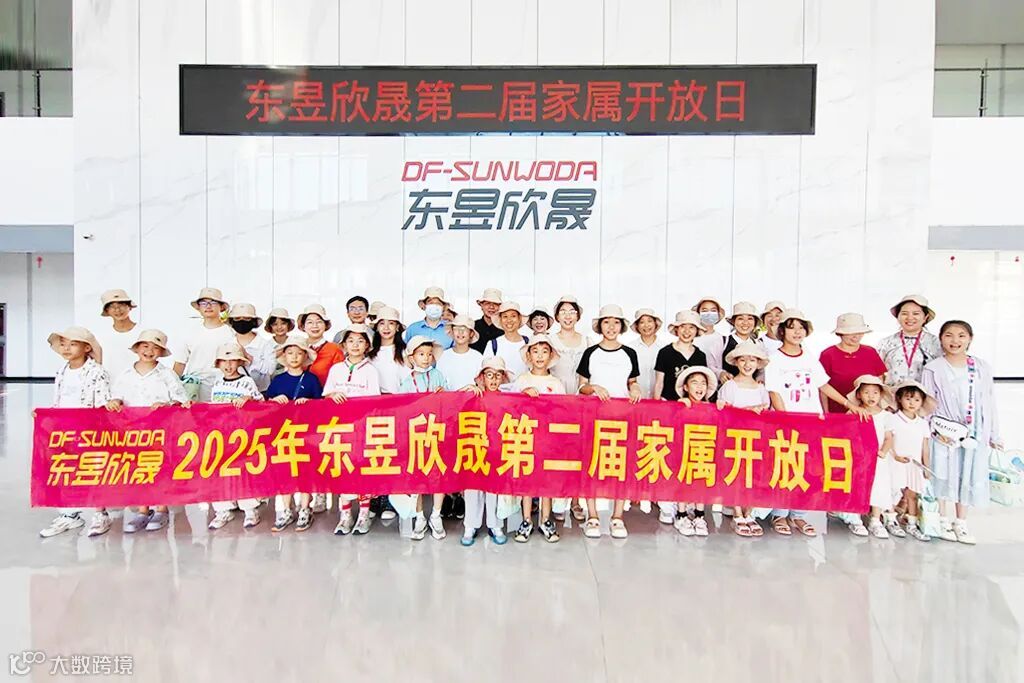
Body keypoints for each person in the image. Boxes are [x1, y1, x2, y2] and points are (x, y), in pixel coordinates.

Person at [764, 309, 865, 537]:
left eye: (801, 327)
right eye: (791, 327)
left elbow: (823, 385)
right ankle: (779, 514)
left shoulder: (808, 356)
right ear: (782, 331)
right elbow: (774, 392)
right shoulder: (774, 359)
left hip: (812, 423)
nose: (797, 332)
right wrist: (786, 419)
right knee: (786, 467)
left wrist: (849, 405)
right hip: (788, 424)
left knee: (809, 469)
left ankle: (798, 515)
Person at [922, 320, 1001, 545]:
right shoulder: (933, 368)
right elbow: (927, 402)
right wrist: (933, 431)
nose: (955, 340)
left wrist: (994, 434)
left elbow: (989, 401)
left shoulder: (981, 367)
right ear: (941, 339)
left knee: (967, 472)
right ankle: (942, 519)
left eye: (961, 335)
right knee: (942, 472)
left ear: (970, 339)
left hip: (973, 430)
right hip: (944, 430)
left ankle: (961, 522)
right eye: (949, 335)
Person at [106, 329, 189, 533]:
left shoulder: (166, 374)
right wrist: (115, 401)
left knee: (161, 468)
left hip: (161, 431)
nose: (149, 351)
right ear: (137, 348)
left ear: (161, 352)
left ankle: (161, 508)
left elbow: (182, 399)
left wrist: (166, 405)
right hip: (133, 432)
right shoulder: (126, 374)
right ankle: (142, 510)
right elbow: (116, 395)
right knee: (139, 469)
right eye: (145, 346)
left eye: (155, 348)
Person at [38, 327, 114, 538]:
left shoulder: (96, 372)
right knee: (67, 468)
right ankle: (69, 514)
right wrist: (47, 416)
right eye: (63, 344)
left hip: (89, 430)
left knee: (94, 470)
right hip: (65, 430)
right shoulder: (62, 372)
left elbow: (102, 402)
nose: (66, 348)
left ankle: (100, 513)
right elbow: (59, 400)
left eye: (73, 344)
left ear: (86, 348)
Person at [577, 304, 642, 539]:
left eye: (616, 322)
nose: (611, 327)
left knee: (620, 466)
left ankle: (617, 517)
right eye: (607, 322)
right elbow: (581, 387)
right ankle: (593, 516)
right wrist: (594, 387)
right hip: (594, 417)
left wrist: (635, 388)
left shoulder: (629, 353)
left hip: (622, 418)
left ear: (621, 326)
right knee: (592, 464)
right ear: (600, 326)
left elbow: (632, 382)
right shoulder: (590, 352)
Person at [323, 324, 381, 536]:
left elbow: (374, 402)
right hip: (339, 428)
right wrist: (332, 396)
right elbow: (326, 395)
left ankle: (364, 514)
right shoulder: (336, 369)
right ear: (344, 345)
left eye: (360, 341)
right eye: (350, 341)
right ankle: (345, 514)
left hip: (361, 429)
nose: (355, 345)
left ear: (367, 346)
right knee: (342, 470)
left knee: (362, 470)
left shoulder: (371, 370)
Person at [513, 335, 565, 543]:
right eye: (535, 351)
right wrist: (523, 395)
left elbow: (563, 411)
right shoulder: (522, 381)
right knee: (527, 479)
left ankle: (545, 519)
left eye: (544, 351)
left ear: (551, 355)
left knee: (546, 481)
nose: (540, 356)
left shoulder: (556, 383)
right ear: (529, 355)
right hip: (525, 437)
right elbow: (510, 408)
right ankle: (526, 520)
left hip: (548, 440)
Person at [207, 343, 265, 530]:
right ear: (218, 363)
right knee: (220, 472)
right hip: (221, 435)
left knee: (243, 472)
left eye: (233, 361)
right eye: (224, 361)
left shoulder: (247, 382)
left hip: (242, 435)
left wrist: (249, 399)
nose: (228, 365)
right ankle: (223, 510)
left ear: (240, 362)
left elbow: (261, 402)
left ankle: (250, 509)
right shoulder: (217, 383)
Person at [267, 339, 322, 533]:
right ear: (284, 356)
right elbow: (266, 405)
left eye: (299, 353)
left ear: (305, 356)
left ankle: (305, 508)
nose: (295, 357)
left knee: (305, 470)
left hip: (306, 433)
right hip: (283, 433)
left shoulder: (311, 379)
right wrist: (274, 400)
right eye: (290, 353)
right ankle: (286, 509)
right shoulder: (278, 380)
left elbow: (322, 404)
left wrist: (309, 403)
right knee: (284, 470)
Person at [716, 341, 770, 537]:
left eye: (752, 360)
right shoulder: (730, 386)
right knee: (736, 474)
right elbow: (725, 413)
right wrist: (748, 411)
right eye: (743, 360)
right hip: (735, 438)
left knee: (753, 475)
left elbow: (766, 412)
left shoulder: (761, 388)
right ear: (736, 362)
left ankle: (749, 513)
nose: (748, 364)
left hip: (756, 439)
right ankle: (737, 513)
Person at [397, 336, 449, 540]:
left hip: (437, 432)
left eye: (429, 354)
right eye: (421, 354)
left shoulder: (438, 375)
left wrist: (444, 394)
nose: (426, 358)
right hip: (416, 434)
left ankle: (436, 514)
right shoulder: (407, 381)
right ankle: (419, 516)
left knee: (438, 474)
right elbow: (401, 408)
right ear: (412, 357)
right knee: (417, 476)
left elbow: (449, 401)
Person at [547, 295, 592, 523]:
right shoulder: (550, 340)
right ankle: (558, 498)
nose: (567, 315)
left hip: (581, 400)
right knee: (556, 451)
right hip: (555, 401)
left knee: (578, 452)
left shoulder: (587, 341)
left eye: (572, 311)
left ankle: (575, 500)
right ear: (557, 316)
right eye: (563, 311)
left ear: (578, 315)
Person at [458, 357, 512, 546]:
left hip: (497, 451)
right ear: (482, 377)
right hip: (476, 449)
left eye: (498, 375)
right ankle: (470, 525)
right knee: (473, 488)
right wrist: (465, 390)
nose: (493, 379)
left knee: (494, 489)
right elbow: (453, 405)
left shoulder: (507, 398)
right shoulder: (474, 395)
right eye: (489, 375)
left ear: (502, 378)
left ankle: (495, 525)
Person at [845, 376, 897, 539]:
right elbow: (846, 434)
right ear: (859, 395)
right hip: (858, 458)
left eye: (875, 392)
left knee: (879, 487)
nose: (871, 396)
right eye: (866, 392)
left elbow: (889, 438)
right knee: (857, 486)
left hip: (878, 459)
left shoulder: (886, 416)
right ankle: (855, 519)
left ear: (881, 394)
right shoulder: (853, 413)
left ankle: (875, 519)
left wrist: (883, 451)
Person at [673, 366, 718, 537]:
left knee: (701, 482)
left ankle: (699, 515)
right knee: (684, 482)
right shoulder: (682, 404)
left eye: (703, 383)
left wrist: (722, 406)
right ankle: (681, 514)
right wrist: (681, 406)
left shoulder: (711, 407)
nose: (699, 387)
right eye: (694, 382)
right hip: (684, 451)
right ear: (685, 387)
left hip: (704, 450)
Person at [889, 381, 934, 542]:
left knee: (912, 494)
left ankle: (912, 523)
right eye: (908, 399)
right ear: (899, 399)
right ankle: (891, 520)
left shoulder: (922, 423)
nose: (912, 403)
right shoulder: (893, 419)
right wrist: (895, 456)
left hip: (914, 465)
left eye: (916, 400)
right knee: (893, 491)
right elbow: (888, 440)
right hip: (896, 462)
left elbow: (925, 447)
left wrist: (926, 467)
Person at [173, 287, 235, 402]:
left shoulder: (230, 333)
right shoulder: (190, 332)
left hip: (222, 387)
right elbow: (180, 363)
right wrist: (174, 391)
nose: (208, 306)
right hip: (194, 389)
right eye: (204, 303)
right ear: (199, 307)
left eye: (213, 302)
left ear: (221, 307)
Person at [819, 313, 888, 414]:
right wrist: (826, 413)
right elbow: (822, 387)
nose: (856, 336)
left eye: (860, 332)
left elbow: (880, 382)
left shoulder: (870, 352)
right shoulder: (828, 354)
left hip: (868, 414)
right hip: (837, 413)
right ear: (840, 333)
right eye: (851, 333)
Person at [878, 294, 941, 385]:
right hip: (892, 393)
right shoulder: (885, 343)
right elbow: (877, 375)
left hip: (926, 393)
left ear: (925, 317)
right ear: (898, 316)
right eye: (904, 313)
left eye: (916, 313)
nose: (910, 318)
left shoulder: (936, 343)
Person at [654, 310, 708, 402]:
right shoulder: (665, 352)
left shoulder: (700, 355)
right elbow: (659, 384)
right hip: (668, 403)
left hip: (691, 405)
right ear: (676, 329)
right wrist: (656, 405)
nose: (687, 331)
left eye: (691, 327)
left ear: (697, 331)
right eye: (682, 326)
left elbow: (702, 384)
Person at [227, 303, 276, 393]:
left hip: (261, 392)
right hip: (234, 392)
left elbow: (270, 369)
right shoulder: (227, 344)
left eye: (246, 318)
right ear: (232, 322)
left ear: (253, 322)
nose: (242, 321)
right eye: (237, 318)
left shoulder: (265, 344)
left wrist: (251, 359)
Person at [482, 301, 529, 385]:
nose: (509, 320)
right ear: (500, 320)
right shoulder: (493, 344)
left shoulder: (529, 343)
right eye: (505, 316)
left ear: (519, 319)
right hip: (499, 392)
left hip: (524, 391)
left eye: (513, 316)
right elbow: (484, 373)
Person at [297, 304, 344, 388]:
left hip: (325, 394)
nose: (315, 326)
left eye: (319, 322)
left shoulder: (334, 349)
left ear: (325, 325)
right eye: (310, 322)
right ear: (303, 326)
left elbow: (340, 378)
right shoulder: (298, 347)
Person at [94, 288, 138, 378]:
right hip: (110, 384)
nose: (117, 310)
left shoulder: (144, 333)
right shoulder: (101, 336)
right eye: (112, 306)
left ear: (129, 307)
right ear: (107, 311)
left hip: (138, 384)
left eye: (121, 304)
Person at [436, 314, 484, 392]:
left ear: (471, 333)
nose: (460, 332)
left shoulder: (478, 357)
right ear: (452, 332)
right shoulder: (444, 356)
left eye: (464, 329)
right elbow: (439, 384)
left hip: (472, 399)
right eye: (456, 328)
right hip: (448, 399)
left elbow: (482, 386)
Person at [369, 306, 411, 395]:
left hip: (399, 400)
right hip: (374, 401)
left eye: (391, 323)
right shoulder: (369, 353)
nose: (386, 327)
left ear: (397, 327)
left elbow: (410, 382)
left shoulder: (405, 352)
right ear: (377, 327)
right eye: (382, 323)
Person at [627, 308, 663, 400]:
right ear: (637, 326)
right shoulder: (630, 348)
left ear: (655, 324)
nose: (646, 325)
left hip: (660, 400)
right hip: (635, 400)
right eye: (642, 322)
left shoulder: (664, 348)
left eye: (649, 321)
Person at [470, 287, 504, 353]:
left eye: (495, 304)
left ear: (500, 307)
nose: (491, 307)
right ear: (481, 305)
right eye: (487, 303)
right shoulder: (472, 326)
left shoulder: (505, 329)